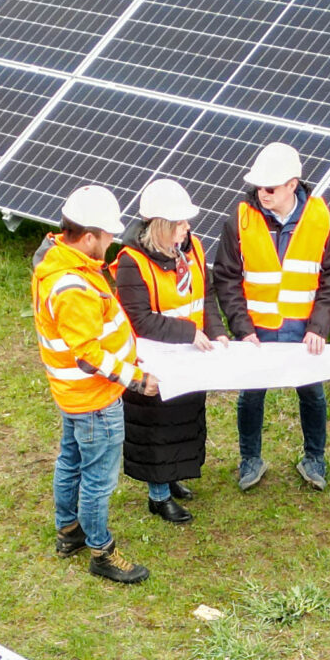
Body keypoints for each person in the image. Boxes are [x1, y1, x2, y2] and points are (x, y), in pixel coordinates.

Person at [33, 184, 152, 584]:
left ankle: (69, 532)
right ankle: (101, 550)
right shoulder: (73, 286)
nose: (111, 241)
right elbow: (89, 355)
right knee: (98, 480)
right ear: (87, 237)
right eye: (106, 236)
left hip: (74, 396)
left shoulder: (64, 264)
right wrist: (137, 379)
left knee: (70, 462)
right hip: (95, 398)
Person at [214, 140, 330, 493]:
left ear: (293, 184)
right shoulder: (240, 218)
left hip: (304, 331)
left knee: (313, 395)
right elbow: (226, 277)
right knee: (251, 396)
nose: (263, 193)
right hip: (257, 332)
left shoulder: (321, 217)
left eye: (271, 187)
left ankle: (314, 458)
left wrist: (319, 326)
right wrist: (242, 329)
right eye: (259, 186)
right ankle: (250, 459)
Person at [109, 178, 228, 525]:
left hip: (189, 355)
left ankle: (173, 478)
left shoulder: (194, 250)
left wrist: (216, 331)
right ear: (161, 227)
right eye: (180, 223)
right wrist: (190, 332)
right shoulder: (132, 262)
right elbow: (141, 320)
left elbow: (205, 297)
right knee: (156, 428)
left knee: (184, 418)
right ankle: (157, 496)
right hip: (154, 359)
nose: (188, 228)